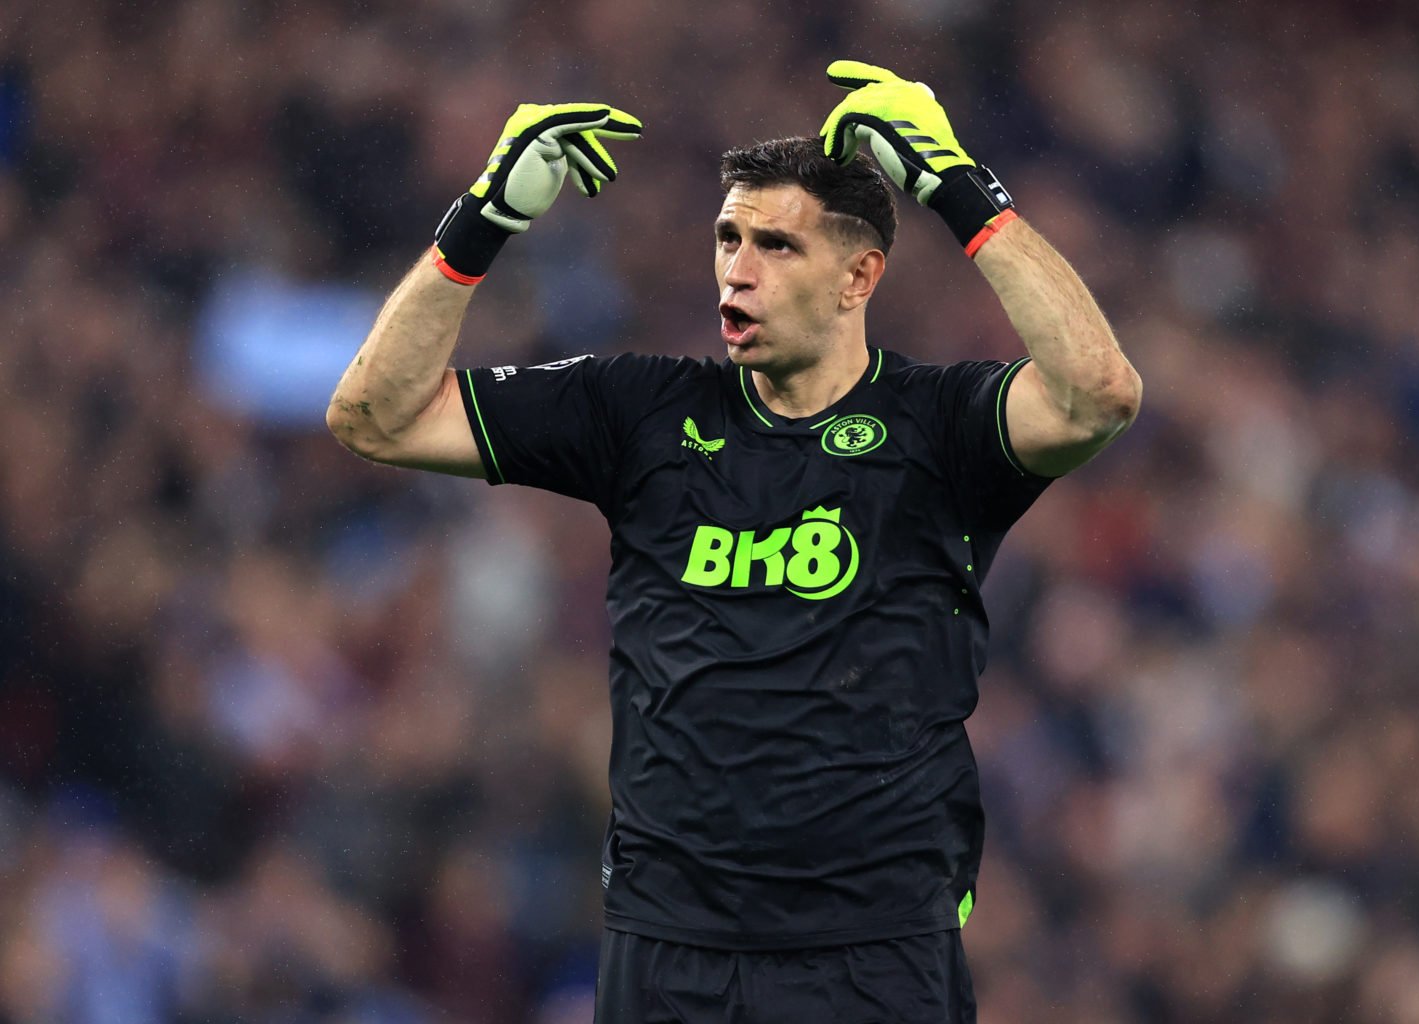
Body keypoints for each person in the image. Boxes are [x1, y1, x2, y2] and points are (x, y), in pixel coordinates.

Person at [328, 60, 1141, 1023]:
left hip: (874, 949)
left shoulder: (941, 425)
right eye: (727, 237)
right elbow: (374, 418)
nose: (737, 267)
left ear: (859, 276)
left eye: (776, 245)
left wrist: (957, 186)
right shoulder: (639, 410)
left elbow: (1101, 391)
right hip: (668, 947)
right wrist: (481, 220)